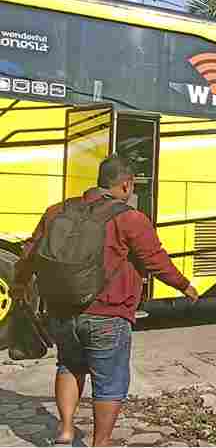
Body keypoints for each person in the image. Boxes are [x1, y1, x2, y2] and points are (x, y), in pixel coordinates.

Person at [11, 156, 199, 447]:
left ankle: (65, 430)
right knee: (109, 380)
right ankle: (102, 443)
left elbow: (30, 252)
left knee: (68, 366)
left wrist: (19, 285)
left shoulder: (56, 211)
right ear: (126, 184)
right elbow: (154, 260)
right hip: (108, 314)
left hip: (61, 310)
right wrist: (184, 285)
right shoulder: (130, 218)